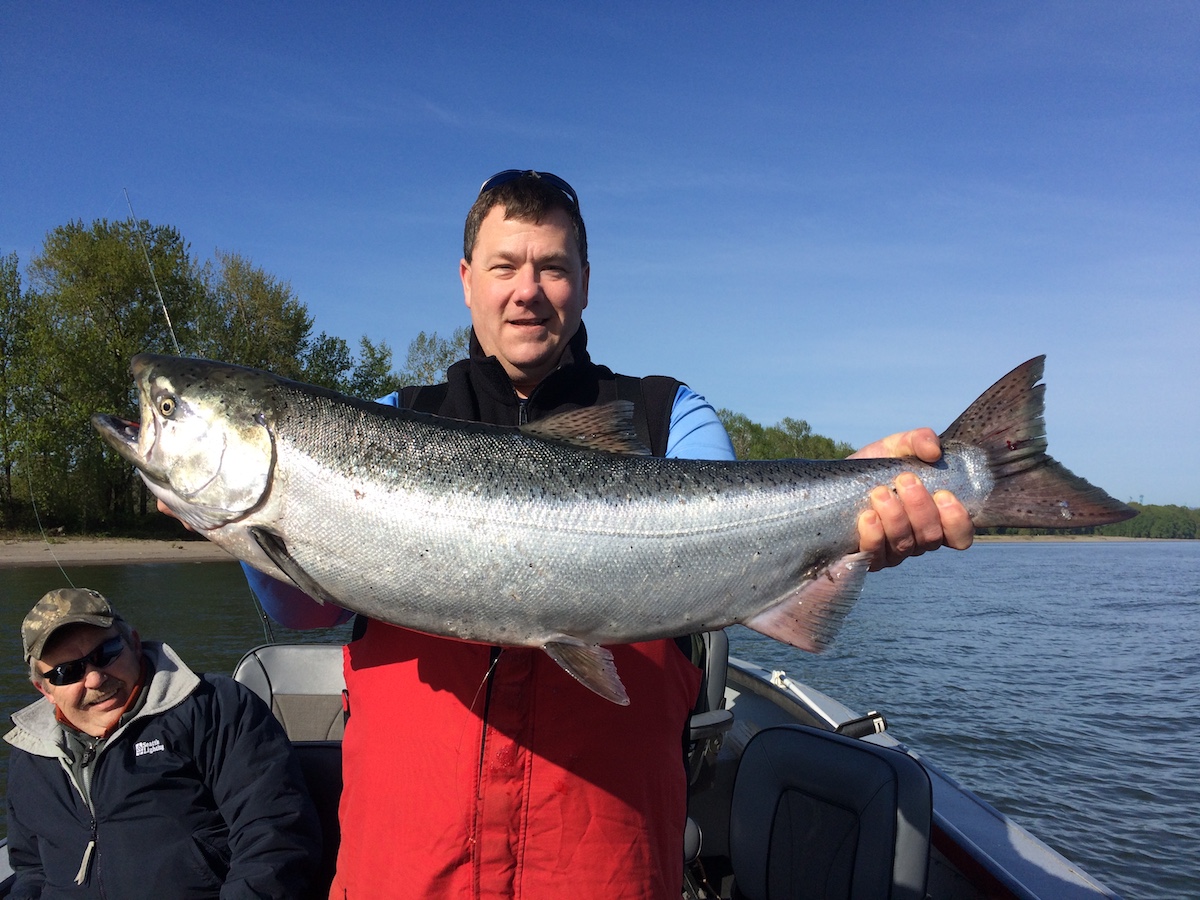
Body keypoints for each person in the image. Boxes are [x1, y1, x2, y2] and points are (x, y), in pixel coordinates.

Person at [229, 169, 974, 899]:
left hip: (604, 870)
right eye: (505, 267)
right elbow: (306, 608)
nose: (528, 290)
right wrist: (246, 525)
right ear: (466, 279)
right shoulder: (382, 422)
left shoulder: (668, 415)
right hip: (405, 871)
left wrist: (855, 500)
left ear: (585, 281)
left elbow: (734, 532)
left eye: (552, 267)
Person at [4, 587, 322, 899]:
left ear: (134, 643)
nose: (95, 679)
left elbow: (274, 837)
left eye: (106, 654)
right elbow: (31, 869)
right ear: (43, 689)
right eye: (67, 672)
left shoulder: (216, 706)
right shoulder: (30, 752)